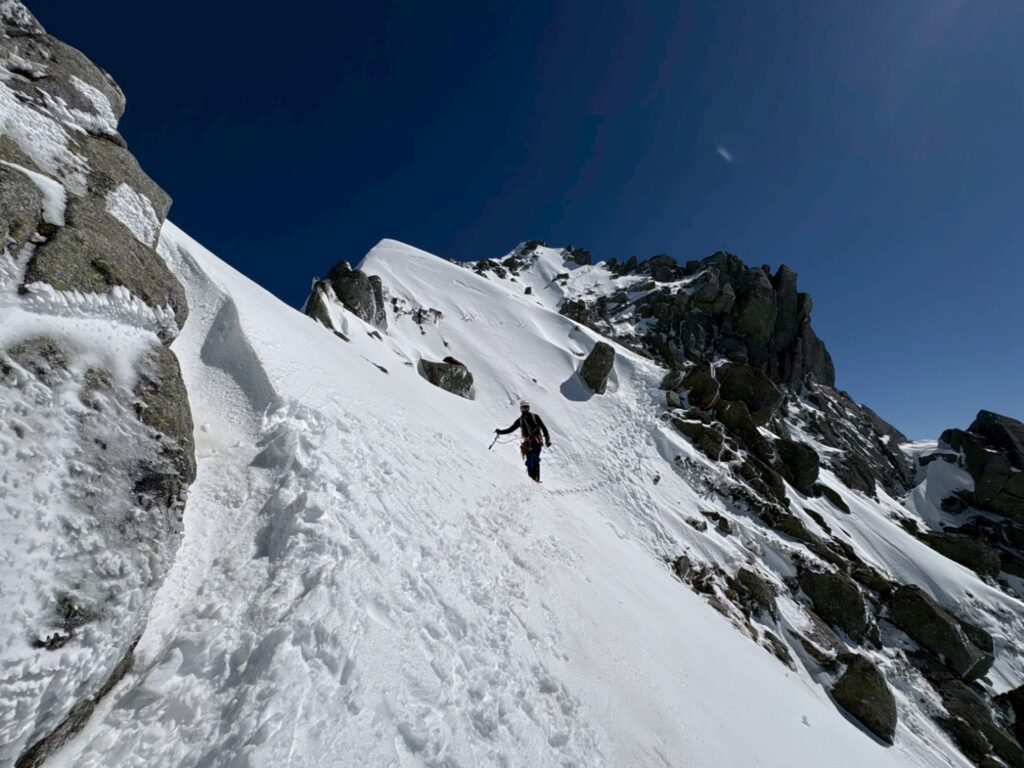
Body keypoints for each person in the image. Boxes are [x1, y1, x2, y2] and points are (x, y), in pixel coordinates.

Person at [496, 400, 551, 483]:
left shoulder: (535, 417)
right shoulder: (520, 420)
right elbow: (511, 429)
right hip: (528, 443)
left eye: (526, 407)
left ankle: (535, 479)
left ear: (528, 408)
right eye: (523, 408)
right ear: (520, 409)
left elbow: (544, 428)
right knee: (529, 460)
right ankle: (531, 479)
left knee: (534, 458)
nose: (524, 409)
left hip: (537, 441)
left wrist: (547, 439)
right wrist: (500, 432)